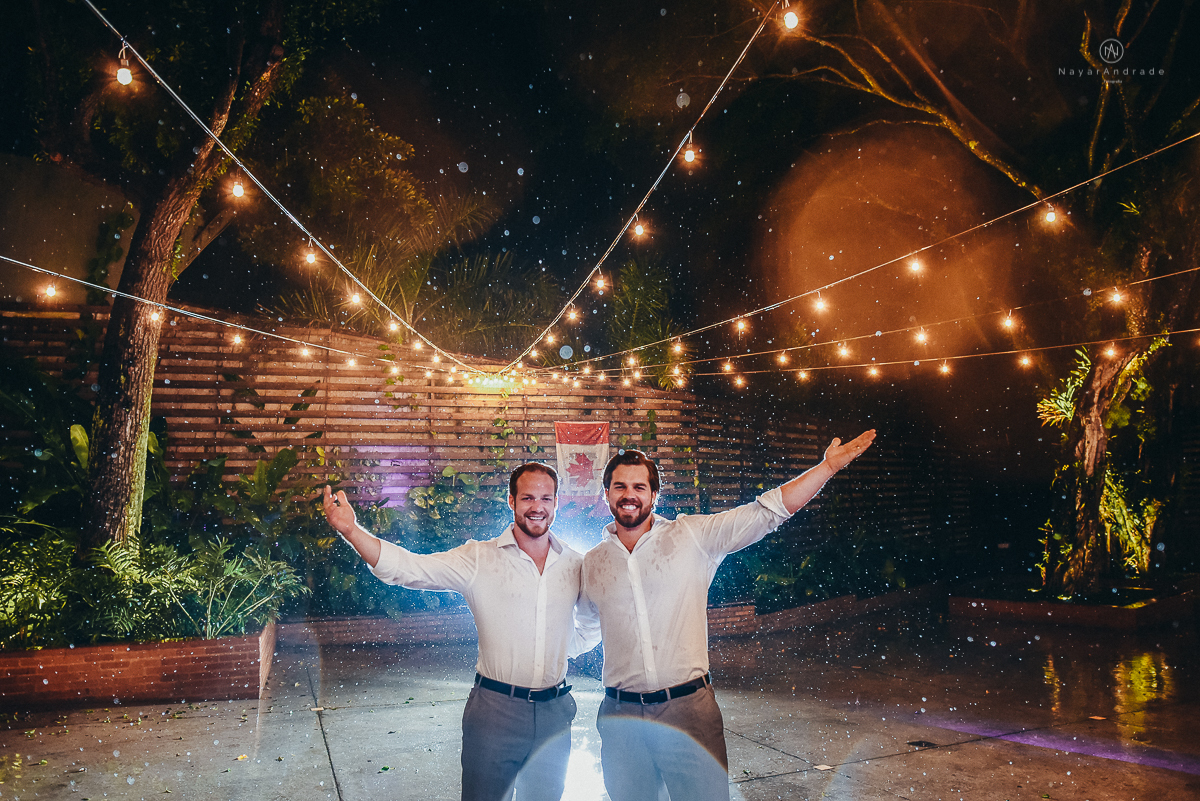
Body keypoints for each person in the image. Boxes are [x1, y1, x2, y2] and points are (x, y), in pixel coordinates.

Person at [582, 430, 877, 801]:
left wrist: (827, 468)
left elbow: (766, 513)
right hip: (620, 717)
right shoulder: (592, 563)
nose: (630, 495)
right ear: (606, 493)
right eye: (620, 486)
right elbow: (582, 630)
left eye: (640, 487)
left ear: (654, 496)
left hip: (688, 711)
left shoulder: (691, 535)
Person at [322, 462, 601, 801]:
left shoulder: (575, 564)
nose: (537, 507)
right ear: (511, 501)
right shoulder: (479, 559)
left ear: (556, 503)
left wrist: (558, 650)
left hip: (555, 712)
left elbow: (590, 623)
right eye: (528, 497)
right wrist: (352, 530)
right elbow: (410, 569)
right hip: (495, 710)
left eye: (546, 498)